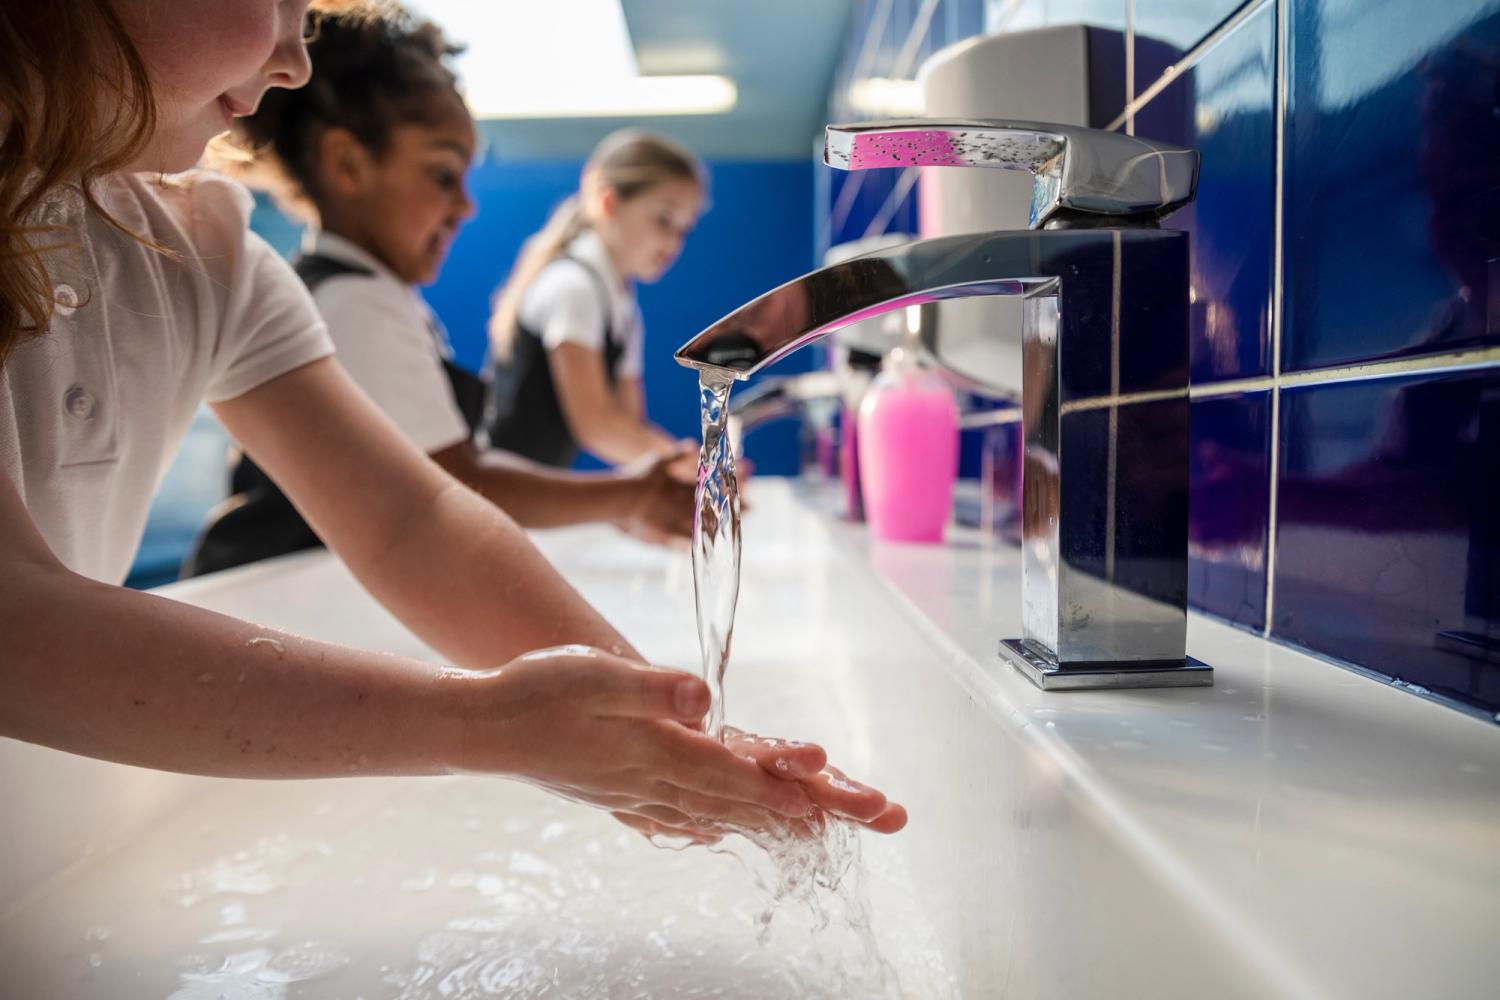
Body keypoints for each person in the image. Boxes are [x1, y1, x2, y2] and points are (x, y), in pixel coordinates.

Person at [0, 0, 905, 846]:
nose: (292, 57)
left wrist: (657, 723)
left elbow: (414, 519)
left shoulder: (208, 246)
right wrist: (488, 724)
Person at [183, 9, 695, 577]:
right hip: (274, 591)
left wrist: (629, 498)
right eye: (443, 176)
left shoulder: (370, 292)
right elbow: (457, 483)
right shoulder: (353, 303)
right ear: (348, 164)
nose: (466, 205)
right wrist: (628, 496)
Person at [486, 128, 703, 472]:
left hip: (537, 493)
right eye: (663, 219)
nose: (674, 242)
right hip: (497, 492)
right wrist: (700, 469)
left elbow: (629, 429)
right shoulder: (572, 287)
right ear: (608, 201)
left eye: (684, 228)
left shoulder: (622, 303)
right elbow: (597, 425)